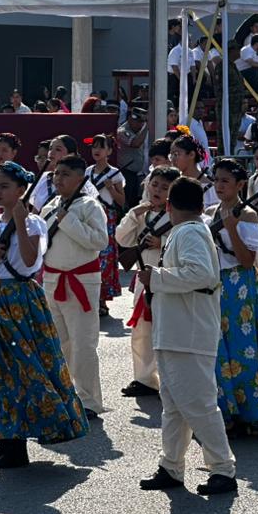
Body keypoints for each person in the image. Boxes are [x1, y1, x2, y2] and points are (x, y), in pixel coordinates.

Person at [0, 162, 88, 468]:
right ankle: (7, 439)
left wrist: (20, 222)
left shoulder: (34, 223)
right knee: (4, 371)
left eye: (5, 186)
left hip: (21, 300)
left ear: (21, 190)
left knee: (27, 368)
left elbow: (31, 259)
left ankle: (21, 440)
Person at [138, 176, 238, 496]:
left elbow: (201, 274)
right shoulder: (186, 230)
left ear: (169, 206)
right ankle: (171, 465)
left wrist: (155, 277)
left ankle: (223, 468)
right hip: (177, 332)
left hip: (188, 334)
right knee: (175, 406)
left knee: (198, 404)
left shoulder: (190, 231)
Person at [205, 158, 258, 436]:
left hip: (241, 286)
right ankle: (225, 411)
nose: (219, 185)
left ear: (240, 185)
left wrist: (232, 228)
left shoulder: (247, 216)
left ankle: (250, 413)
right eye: (216, 180)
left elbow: (247, 261)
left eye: (225, 180)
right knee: (219, 349)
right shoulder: (211, 212)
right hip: (217, 284)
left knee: (242, 349)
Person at [40, 154, 109, 418]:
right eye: (56, 173)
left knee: (83, 343)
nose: (59, 179)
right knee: (57, 342)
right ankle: (62, 393)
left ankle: (88, 400)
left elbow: (99, 241)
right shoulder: (49, 206)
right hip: (52, 279)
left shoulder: (90, 205)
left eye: (66, 174)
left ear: (81, 178)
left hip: (81, 280)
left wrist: (67, 220)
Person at [115, 165, 179, 398]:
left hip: (168, 278)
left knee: (168, 330)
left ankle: (169, 380)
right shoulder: (141, 213)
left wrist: (162, 242)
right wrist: (135, 214)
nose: (157, 190)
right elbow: (122, 238)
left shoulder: (177, 216)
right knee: (142, 330)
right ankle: (144, 378)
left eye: (164, 187)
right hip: (143, 279)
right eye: (155, 185)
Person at [85, 135, 127, 319]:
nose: (97, 150)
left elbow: (122, 201)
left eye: (101, 147)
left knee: (106, 257)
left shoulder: (115, 174)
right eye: (94, 146)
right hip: (88, 215)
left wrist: (110, 188)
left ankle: (102, 299)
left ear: (109, 151)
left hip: (107, 217)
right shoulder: (87, 172)